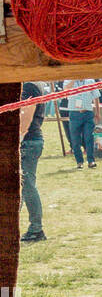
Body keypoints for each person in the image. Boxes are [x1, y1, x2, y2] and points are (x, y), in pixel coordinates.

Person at [19, 80, 48, 242]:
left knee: (27, 186)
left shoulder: (29, 86)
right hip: (30, 141)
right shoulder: (35, 84)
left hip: (27, 142)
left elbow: (26, 114)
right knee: (22, 186)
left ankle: (36, 229)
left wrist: (18, 139)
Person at [66, 79, 100, 169]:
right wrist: (73, 79)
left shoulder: (90, 81)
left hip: (87, 113)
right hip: (74, 113)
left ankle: (91, 161)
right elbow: (65, 90)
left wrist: (98, 112)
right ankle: (79, 162)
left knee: (89, 137)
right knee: (75, 139)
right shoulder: (68, 80)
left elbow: (96, 97)